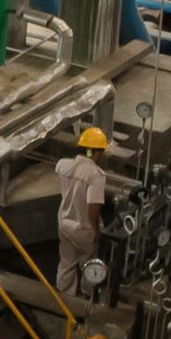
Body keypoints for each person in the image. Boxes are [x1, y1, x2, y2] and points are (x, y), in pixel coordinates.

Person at [53, 126, 111, 301]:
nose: (102, 156)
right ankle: (88, 297)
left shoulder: (62, 165)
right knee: (90, 265)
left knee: (66, 263)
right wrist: (96, 232)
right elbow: (93, 208)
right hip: (84, 229)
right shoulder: (96, 175)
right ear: (96, 153)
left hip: (64, 223)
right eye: (102, 152)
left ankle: (64, 299)